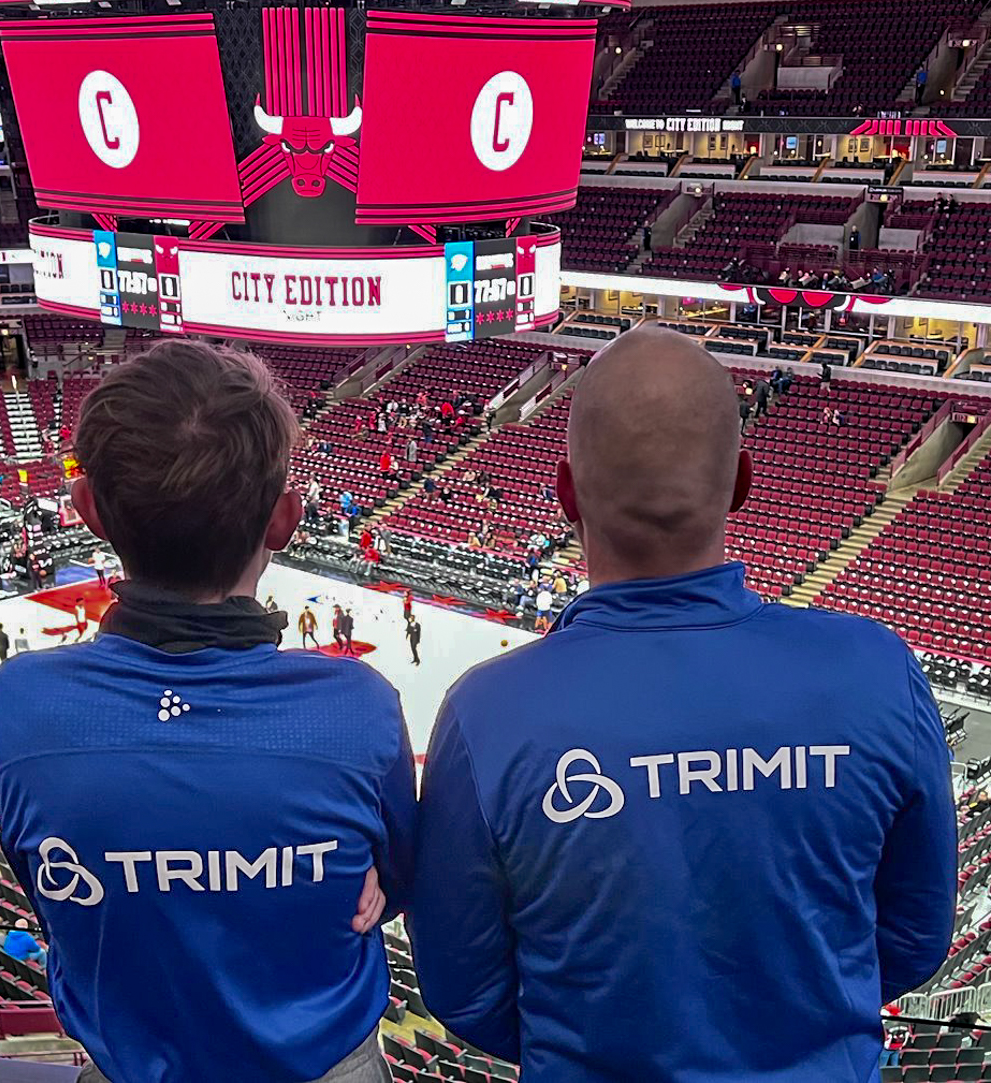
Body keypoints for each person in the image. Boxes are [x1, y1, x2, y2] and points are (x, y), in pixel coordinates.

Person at [410, 327, 956, 1082]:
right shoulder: (877, 671)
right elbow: (916, 935)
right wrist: (798, 1027)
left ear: (565, 492)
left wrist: (595, 1046)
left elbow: (463, 987)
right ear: (741, 482)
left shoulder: (485, 714)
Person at [0, 341, 414, 1083]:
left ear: (87, 510)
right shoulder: (357, 708)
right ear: (285, 519)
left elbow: (53, 890)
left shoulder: (20, 705)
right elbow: (397, 881)